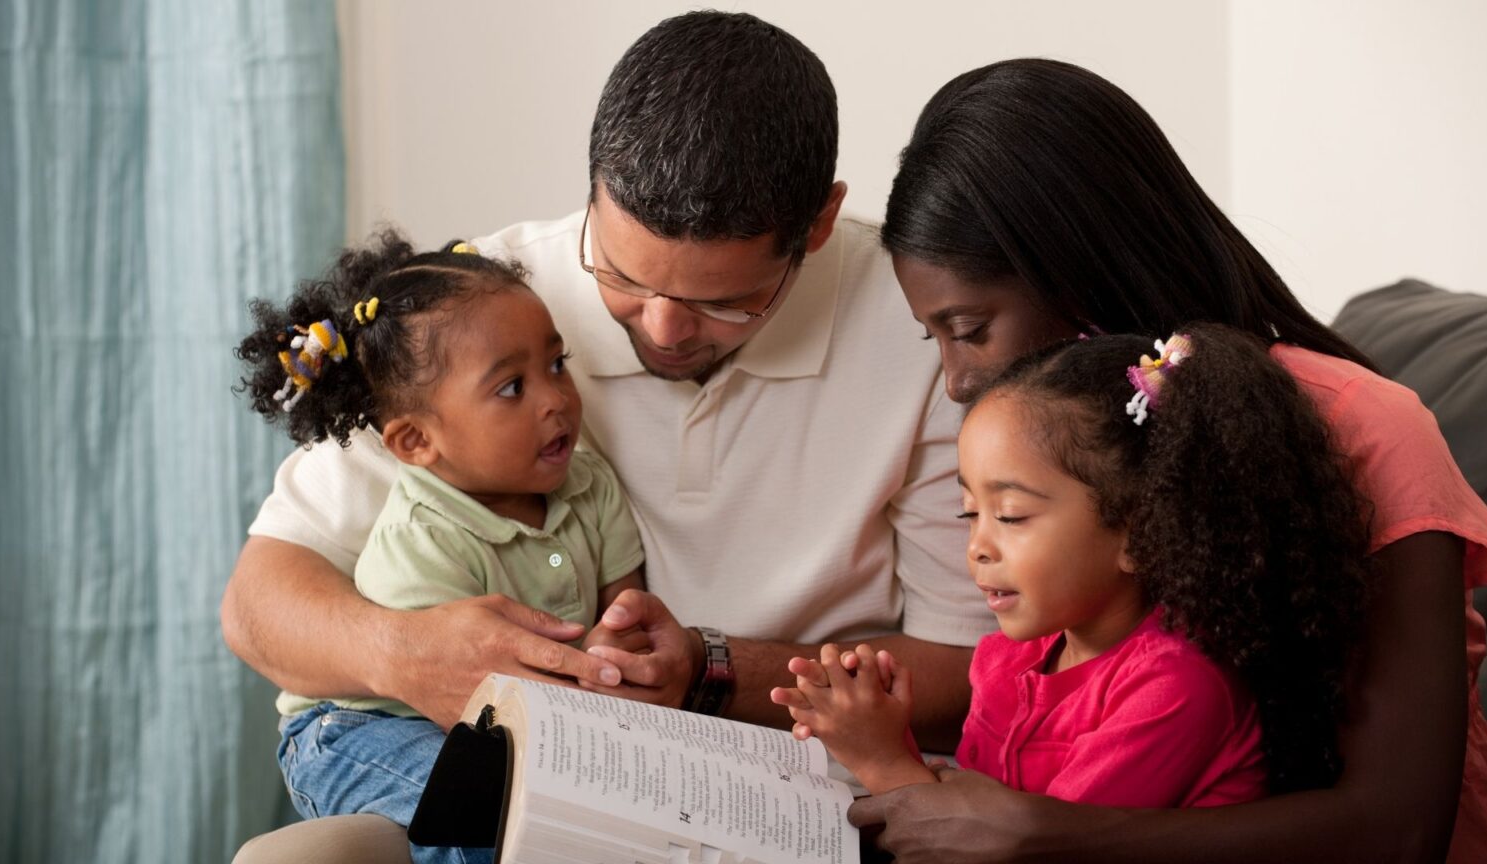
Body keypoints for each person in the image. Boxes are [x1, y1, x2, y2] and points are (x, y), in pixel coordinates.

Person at [225, 12, 982, 862]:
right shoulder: (485, 311)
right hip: (566, 771)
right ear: (592, 189)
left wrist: (710, 672)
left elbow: (965, 675)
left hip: (789, 792)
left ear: (815, 225)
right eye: (622, 275)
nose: (661, 328)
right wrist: (403, 654)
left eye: (722, 302)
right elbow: (259, 603)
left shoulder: (920, 325)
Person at [849, 58, 1487, 863]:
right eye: (936, 338)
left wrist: (1045, 834)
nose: (954, 382)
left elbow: (1400, 827)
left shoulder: (1365, 427)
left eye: (971, 328)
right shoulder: (1070, 462)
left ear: (1076, 269)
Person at [776, 326, 1371, 809]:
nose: (978, 547)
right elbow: (971, 810)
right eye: (969, 513)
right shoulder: (1008, 659)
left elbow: (1021, 851)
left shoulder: (1176, 687)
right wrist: (885, 729)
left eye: (1009, 516)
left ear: (1140, 533)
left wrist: (882, 761)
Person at [235, 233, 645, 862]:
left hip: (490, 718)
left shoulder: (590, 486)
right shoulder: (421, 543)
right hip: (359, 727)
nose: (555, 398)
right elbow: (462, 705)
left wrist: (620, 646)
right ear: (416, 443)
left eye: (556, 364)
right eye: (512, 388)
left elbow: (627, 607)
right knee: (481, 808)